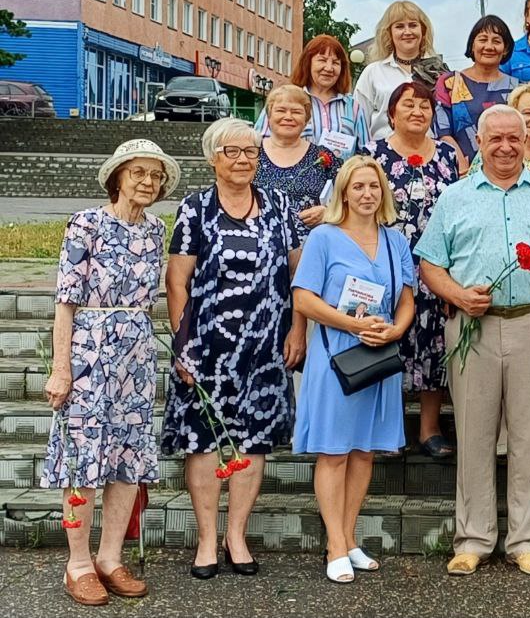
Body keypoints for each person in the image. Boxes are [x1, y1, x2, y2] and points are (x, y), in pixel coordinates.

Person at [419, 106, 530, 577]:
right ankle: (473, 538)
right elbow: (430, 262)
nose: (507, 146)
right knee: (473, 433)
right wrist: (455, 294)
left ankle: (525, 540)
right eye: (497, 139)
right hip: (474, 328)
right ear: (481, 143)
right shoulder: (455, 196)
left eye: (515, 137)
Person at [161, 118, 305, 579]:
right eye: (232, 152)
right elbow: (176, 281)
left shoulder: (281, 204)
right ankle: (206, 540)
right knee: (203, 442)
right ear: (213, 158)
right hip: (208, 346)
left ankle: (236, 536)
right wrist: (184, 345)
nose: (244, 159)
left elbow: (300, 278)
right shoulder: (196, 208)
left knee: (254, 442)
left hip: (265, 345)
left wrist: (297, 330)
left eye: (250, 152)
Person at [42, 139, 182, 605]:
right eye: (139, 172)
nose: (148, 182)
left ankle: (110, 558)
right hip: (89, 349)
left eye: (156, 176)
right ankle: (77, 564)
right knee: (83, 457)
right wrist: (61, 368)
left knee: (127, 458)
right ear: (118, 175)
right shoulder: (86, 223)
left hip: (136, 355)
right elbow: (66, 301)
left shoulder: (154, 229)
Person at [292, 157, 416, 583]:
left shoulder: (395, 240)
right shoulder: (324, 238)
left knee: (364, 450)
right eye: (358, 186)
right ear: (343, 193)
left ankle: (348, 538)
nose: (367, 194)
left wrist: (395, 330)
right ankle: (333, 545)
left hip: (379, 353)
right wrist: (352, 325)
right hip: (337, 354)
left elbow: (406, 299)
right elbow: (304, 299)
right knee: (334, 451)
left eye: (374, 186)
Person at [369, 80, 461, 459]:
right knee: (389, 343)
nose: (418, 111)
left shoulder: (447, 155)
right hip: (386, 267)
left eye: (425, 106)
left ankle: (429, 428)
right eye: (408, 105)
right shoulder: (373, 154)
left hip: (436, 267)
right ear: (392, 113)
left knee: (434, 346)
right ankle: (388, 430)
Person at [255, 34, 370, 158]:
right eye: (322, 60)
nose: (329, 68)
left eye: (336, 63)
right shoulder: (283, 100)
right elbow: (259, 142)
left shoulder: (353, 107)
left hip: (341, 176)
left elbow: (366, 153)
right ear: (307, 63)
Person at [433, 15, 518, 170]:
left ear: (505, 49)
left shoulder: (516, 88)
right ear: (472, 45)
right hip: (459, 168)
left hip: (507, 170)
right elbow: (442, 130)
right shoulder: (449, 82)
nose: (489, 46)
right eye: (483, 39)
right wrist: (462, 165)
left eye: (497, 41)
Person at [354, 0, 447, 139]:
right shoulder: (373, 72)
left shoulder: (440, 73)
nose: (407, 32)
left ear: (423, 30)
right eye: (399, 26)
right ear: (389, 33)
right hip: (382, 156)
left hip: (431, 154)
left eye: (413, 25)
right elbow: (358, 123)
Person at [256, 84, 336, 238]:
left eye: (296, 112)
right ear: (269, 116)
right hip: (258, 247)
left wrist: (329, 211)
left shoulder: (323, 156)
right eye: (280, 110)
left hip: (311, 248)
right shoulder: (251, 152)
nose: (288, 117)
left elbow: (348, 197)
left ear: (306, 120)